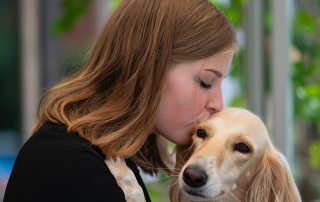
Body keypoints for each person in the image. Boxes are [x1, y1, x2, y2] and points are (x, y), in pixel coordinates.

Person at [4, 0, 238, 201]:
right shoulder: (74, 167)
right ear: (151, 68)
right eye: (206, 81)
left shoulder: (103, 159)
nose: (218, 104)